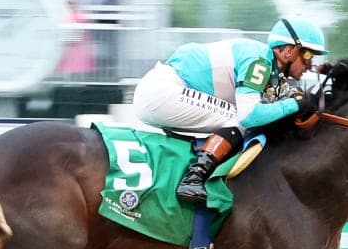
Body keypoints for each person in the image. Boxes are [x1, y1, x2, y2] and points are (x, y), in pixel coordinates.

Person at [132, 17, 327, 204]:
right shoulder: (259, 61)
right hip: (163, 92)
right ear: (288, 51)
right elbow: (249, 116)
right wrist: (295, 104)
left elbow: (279, 101)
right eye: (308, 56)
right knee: (239, 120)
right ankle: (194, 178)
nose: (309, 65)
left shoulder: (269, 66)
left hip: (162, 91)